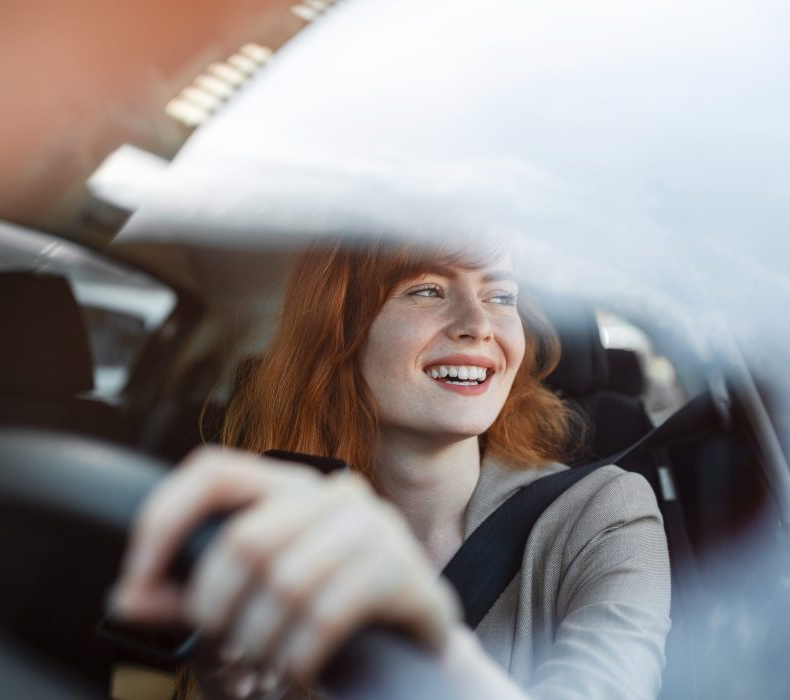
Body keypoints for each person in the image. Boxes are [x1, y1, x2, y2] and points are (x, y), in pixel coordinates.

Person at [111, 239, 671, 699]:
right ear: (342, 335)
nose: (478, 324)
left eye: (501, 297)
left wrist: (429, 649)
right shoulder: (267, 521)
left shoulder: (605, 514)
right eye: (426, 290)